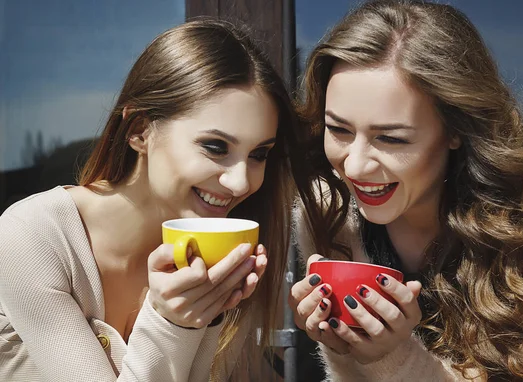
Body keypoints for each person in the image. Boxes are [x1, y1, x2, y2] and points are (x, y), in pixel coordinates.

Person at [289, 0, 523, 380]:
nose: (354, 166)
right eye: (338, 130)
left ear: (456, 130)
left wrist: (395, 359)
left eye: (390, 138)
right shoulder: (331, 213)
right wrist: (342, 343)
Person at [0, 19, 307, 381]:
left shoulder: (222, 252)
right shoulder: (30, 237)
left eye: (258, 154)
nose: (241, 182)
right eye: (215, 147)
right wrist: (171, 323)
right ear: (139, 131)